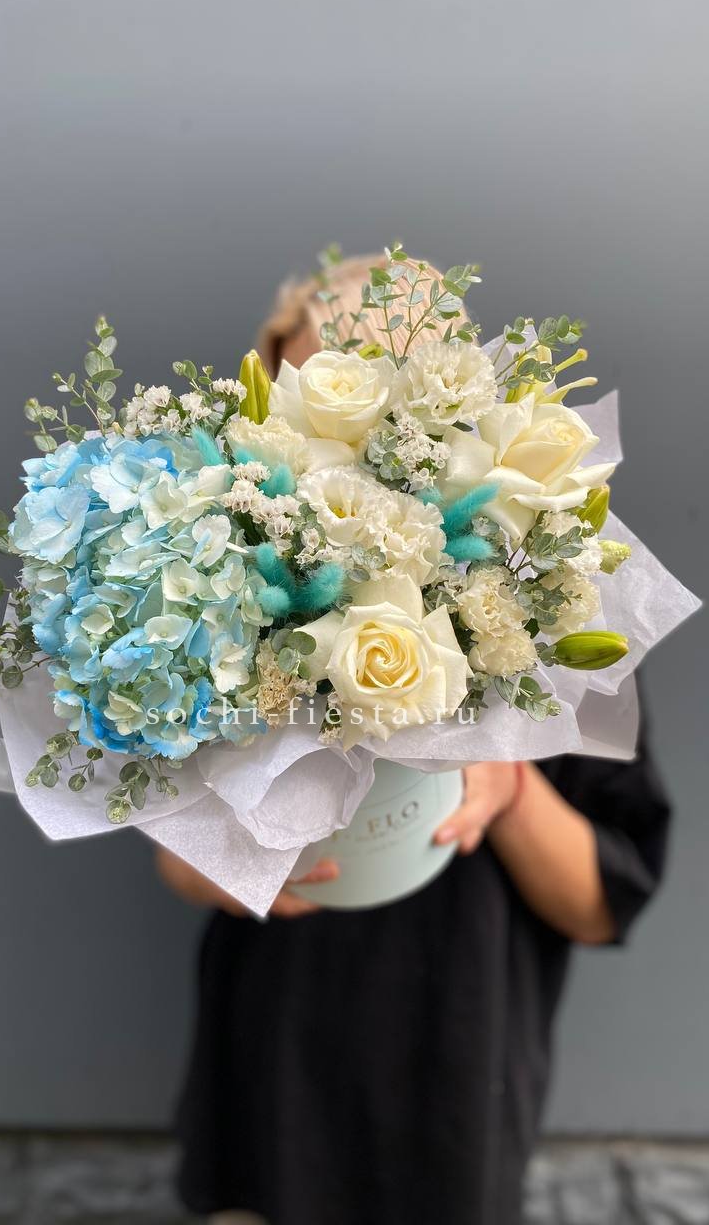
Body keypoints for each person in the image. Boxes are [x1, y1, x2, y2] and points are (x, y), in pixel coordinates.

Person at [156, 256, 671, 1225]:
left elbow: (603, 903)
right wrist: (242, 859)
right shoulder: (219, 586)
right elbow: (177, 862)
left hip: (454, 1088)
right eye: (302, 402)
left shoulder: (553, 597)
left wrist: (509, 785)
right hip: (268, 1081)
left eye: (360, 402)